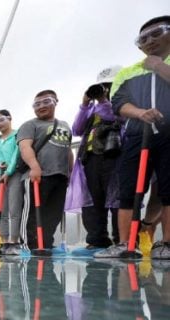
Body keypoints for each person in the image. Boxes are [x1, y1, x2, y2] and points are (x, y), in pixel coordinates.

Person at [96, 16, 170, 260]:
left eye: (156, 34)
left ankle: (166, 243)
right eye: (143, 38)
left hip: (168, 134)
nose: (149, 41)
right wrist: (140, 113)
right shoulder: (128, 72)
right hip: (138, 136)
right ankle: (125, 243)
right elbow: (118, 103)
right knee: (128, 189)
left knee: (168, 189)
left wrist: (159, 67)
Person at [71, 67, 123, 255]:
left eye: (109, 86)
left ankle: (121, 239)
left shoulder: (124, 103)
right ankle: (97, 239)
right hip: (91, 158)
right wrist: (85, 104)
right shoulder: (92, 109)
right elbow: (76, 129)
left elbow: (113, 116)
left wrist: (102, 100)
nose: (105, 90)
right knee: (93, 200)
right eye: (102, 87)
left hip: (115, 156)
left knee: (118, 199)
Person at [17, 90, 73, 251]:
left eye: (46, 102)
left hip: (60, 175)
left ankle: (46, 244)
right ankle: (29, 245)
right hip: (37, 175)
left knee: (53, 213)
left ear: (55, 102)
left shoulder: (64, 125)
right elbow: (25, 147)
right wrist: (34, 166)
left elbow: (68, 150)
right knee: (33, 213)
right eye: (37, 104)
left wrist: (70, 172)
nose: (41, 106)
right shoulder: (30, 125)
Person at [0, 109, 22, 255]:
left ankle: (14, 241)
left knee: (14, 208)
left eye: (1, 120)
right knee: (1, 210)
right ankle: (4, 240)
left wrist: (8, 171)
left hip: (13, 175)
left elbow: (16, 155)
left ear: (9, 118)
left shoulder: (17, 136)